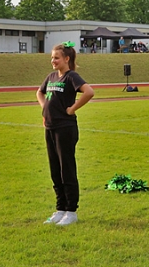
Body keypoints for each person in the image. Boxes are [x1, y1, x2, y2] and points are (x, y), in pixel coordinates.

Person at [37, 42, 95, 226]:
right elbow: (40, 92)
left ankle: (71, 211)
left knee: (66, 169)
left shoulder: (71, 77)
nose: (52, 61)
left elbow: (89, 92)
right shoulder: (52, 76)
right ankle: (60, 208)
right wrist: (44, 107)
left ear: (66, 59)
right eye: (52, 57)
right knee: (55, 170)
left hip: (65, 128)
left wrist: (72, 109)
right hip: (50, 128)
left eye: (56, 58)